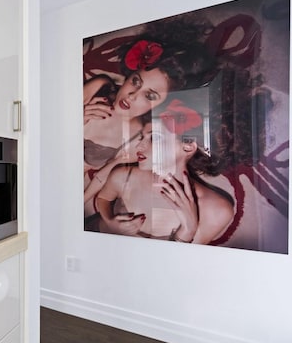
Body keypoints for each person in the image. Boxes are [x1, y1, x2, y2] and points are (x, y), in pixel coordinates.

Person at [84, 16, 217, 217]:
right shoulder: (99, 87)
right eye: (135, 81)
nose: (132, 95)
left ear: (161, 104)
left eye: (149, 95)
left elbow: (103, 178)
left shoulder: (138, 137)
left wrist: (78, 202)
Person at [95, 101, 235, 243]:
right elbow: (103, 199)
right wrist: (110, 222)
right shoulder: (123, 176)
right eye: (141, 137)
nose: (139, 146)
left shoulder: (217, 210)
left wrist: (187, 231)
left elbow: (179, 263)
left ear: (187, 148)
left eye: (154, 138)